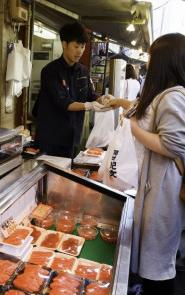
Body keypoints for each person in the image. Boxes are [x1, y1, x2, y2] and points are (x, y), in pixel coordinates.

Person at [106, 33, 185, 295]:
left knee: (159, 265)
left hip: (164, 193)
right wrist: (122, 106)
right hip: (154, 189)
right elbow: (147, 113)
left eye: (151, 55)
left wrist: (131, 128)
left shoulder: (174, 96)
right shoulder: (163, 93)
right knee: (153, 261)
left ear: (164, 59)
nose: (147, 61)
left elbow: (173, 145)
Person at [34, 21, 110, 158]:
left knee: (64, 176)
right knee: (47, 178)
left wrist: (102, 99)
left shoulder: (83, 71)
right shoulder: (50, 71)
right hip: (50, 138)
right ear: (64, 44)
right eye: (76, 46)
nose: (80, 51)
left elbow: (89, 94)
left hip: (71, 136)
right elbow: (62, 102)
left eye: (83, 46)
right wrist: (88, 106)